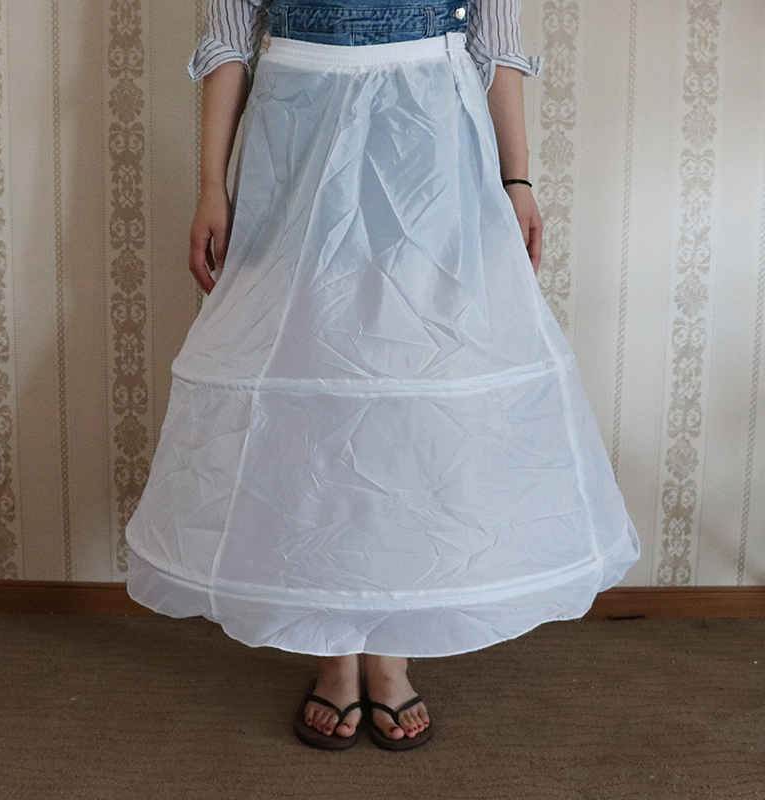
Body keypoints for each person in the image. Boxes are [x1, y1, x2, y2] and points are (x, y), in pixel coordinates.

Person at [125, 0, 640, 752]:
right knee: (311, 396)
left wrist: (517, 179)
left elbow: (496, 41)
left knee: (411, 395)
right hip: (297, 138)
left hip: (431, 138)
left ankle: (391, 651)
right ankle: (334, 651)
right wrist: (212, 184)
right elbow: (229, 38)